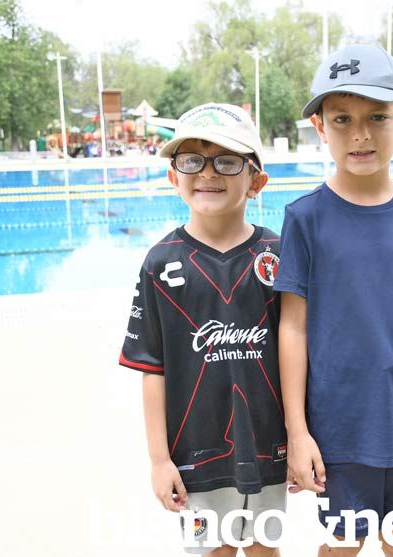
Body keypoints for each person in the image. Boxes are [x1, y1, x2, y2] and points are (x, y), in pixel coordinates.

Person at [274, 44, 393, 557]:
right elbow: (292, 328)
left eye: (377, 117)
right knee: (345, 544)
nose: (360, 134)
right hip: (340, 426)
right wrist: (297, 430)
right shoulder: (305, 219)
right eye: (342, 119)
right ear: (320, 127)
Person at [119, 102, 286, 557]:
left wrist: (302, 435)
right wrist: (159, 460)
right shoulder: (160, 263)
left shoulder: (278, 255)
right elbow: (152, 368)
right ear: (174, 177)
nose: (208, 172)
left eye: (226, 161)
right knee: (212, 552)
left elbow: (298, 353)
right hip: (195, 454)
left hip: (269, 447)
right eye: (192, 160)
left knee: (264, 549)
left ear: (256, 181)